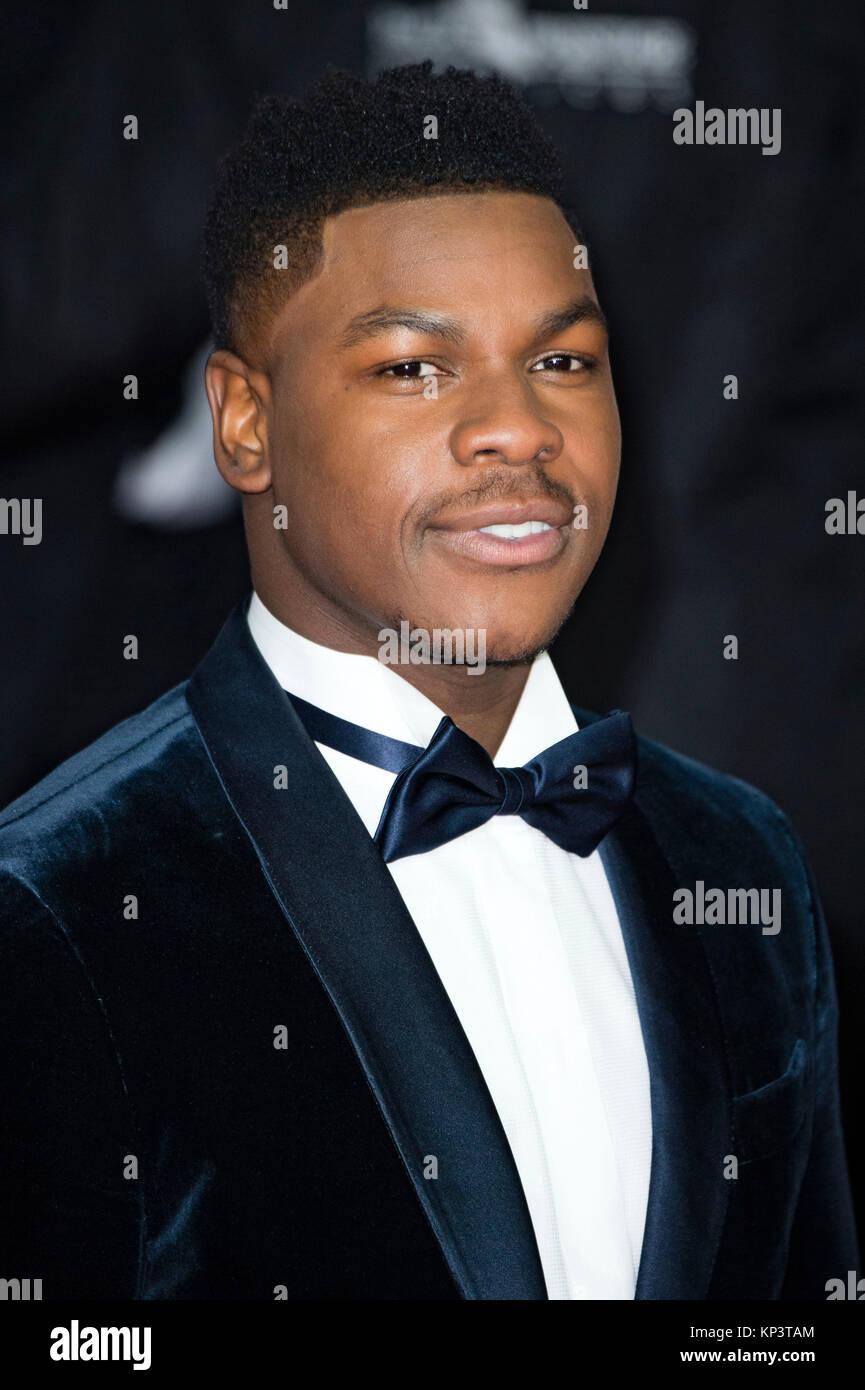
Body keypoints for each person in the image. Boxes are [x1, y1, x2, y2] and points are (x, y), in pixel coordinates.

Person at [0, 61, 856, 1301]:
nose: (516, 427)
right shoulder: (58, 910)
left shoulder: (744, 860)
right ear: (245, 423)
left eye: (563, 362)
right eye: (413, 368)